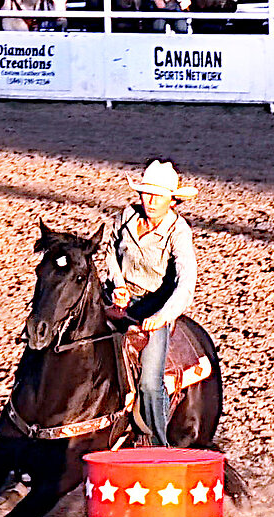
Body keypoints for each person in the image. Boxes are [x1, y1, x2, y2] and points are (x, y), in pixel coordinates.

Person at [104, 160, 198, 446]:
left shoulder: (178, 231)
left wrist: (163, 315)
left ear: (172, 200)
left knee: (149, 380)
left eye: (157, 195)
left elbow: (186, 281)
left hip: (154, 308)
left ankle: (159, 442)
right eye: (146, 194)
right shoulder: (127, 217)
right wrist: (117, 283)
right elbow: (111, 250)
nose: (150, 201)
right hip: (119, 298)